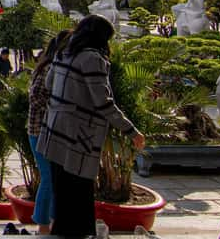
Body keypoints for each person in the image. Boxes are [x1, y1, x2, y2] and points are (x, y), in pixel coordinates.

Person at [37, 16, 145, 237]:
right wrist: (130, 131)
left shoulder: (63, 52)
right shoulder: (92, 59)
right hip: (78, 136)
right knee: (79, 191)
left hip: (54, 131)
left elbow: (48, 85)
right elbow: (103, 102)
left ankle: (62, 231)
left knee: (62, 190)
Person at [26, 30, 72, 234]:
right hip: (41, 130)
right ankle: (43, 224)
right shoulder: (49, 68)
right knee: (49, 177)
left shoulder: (56, 66)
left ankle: (50, 223)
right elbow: (35, 97)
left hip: (50, 130)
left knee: (53, 177)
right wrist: (59, 108)